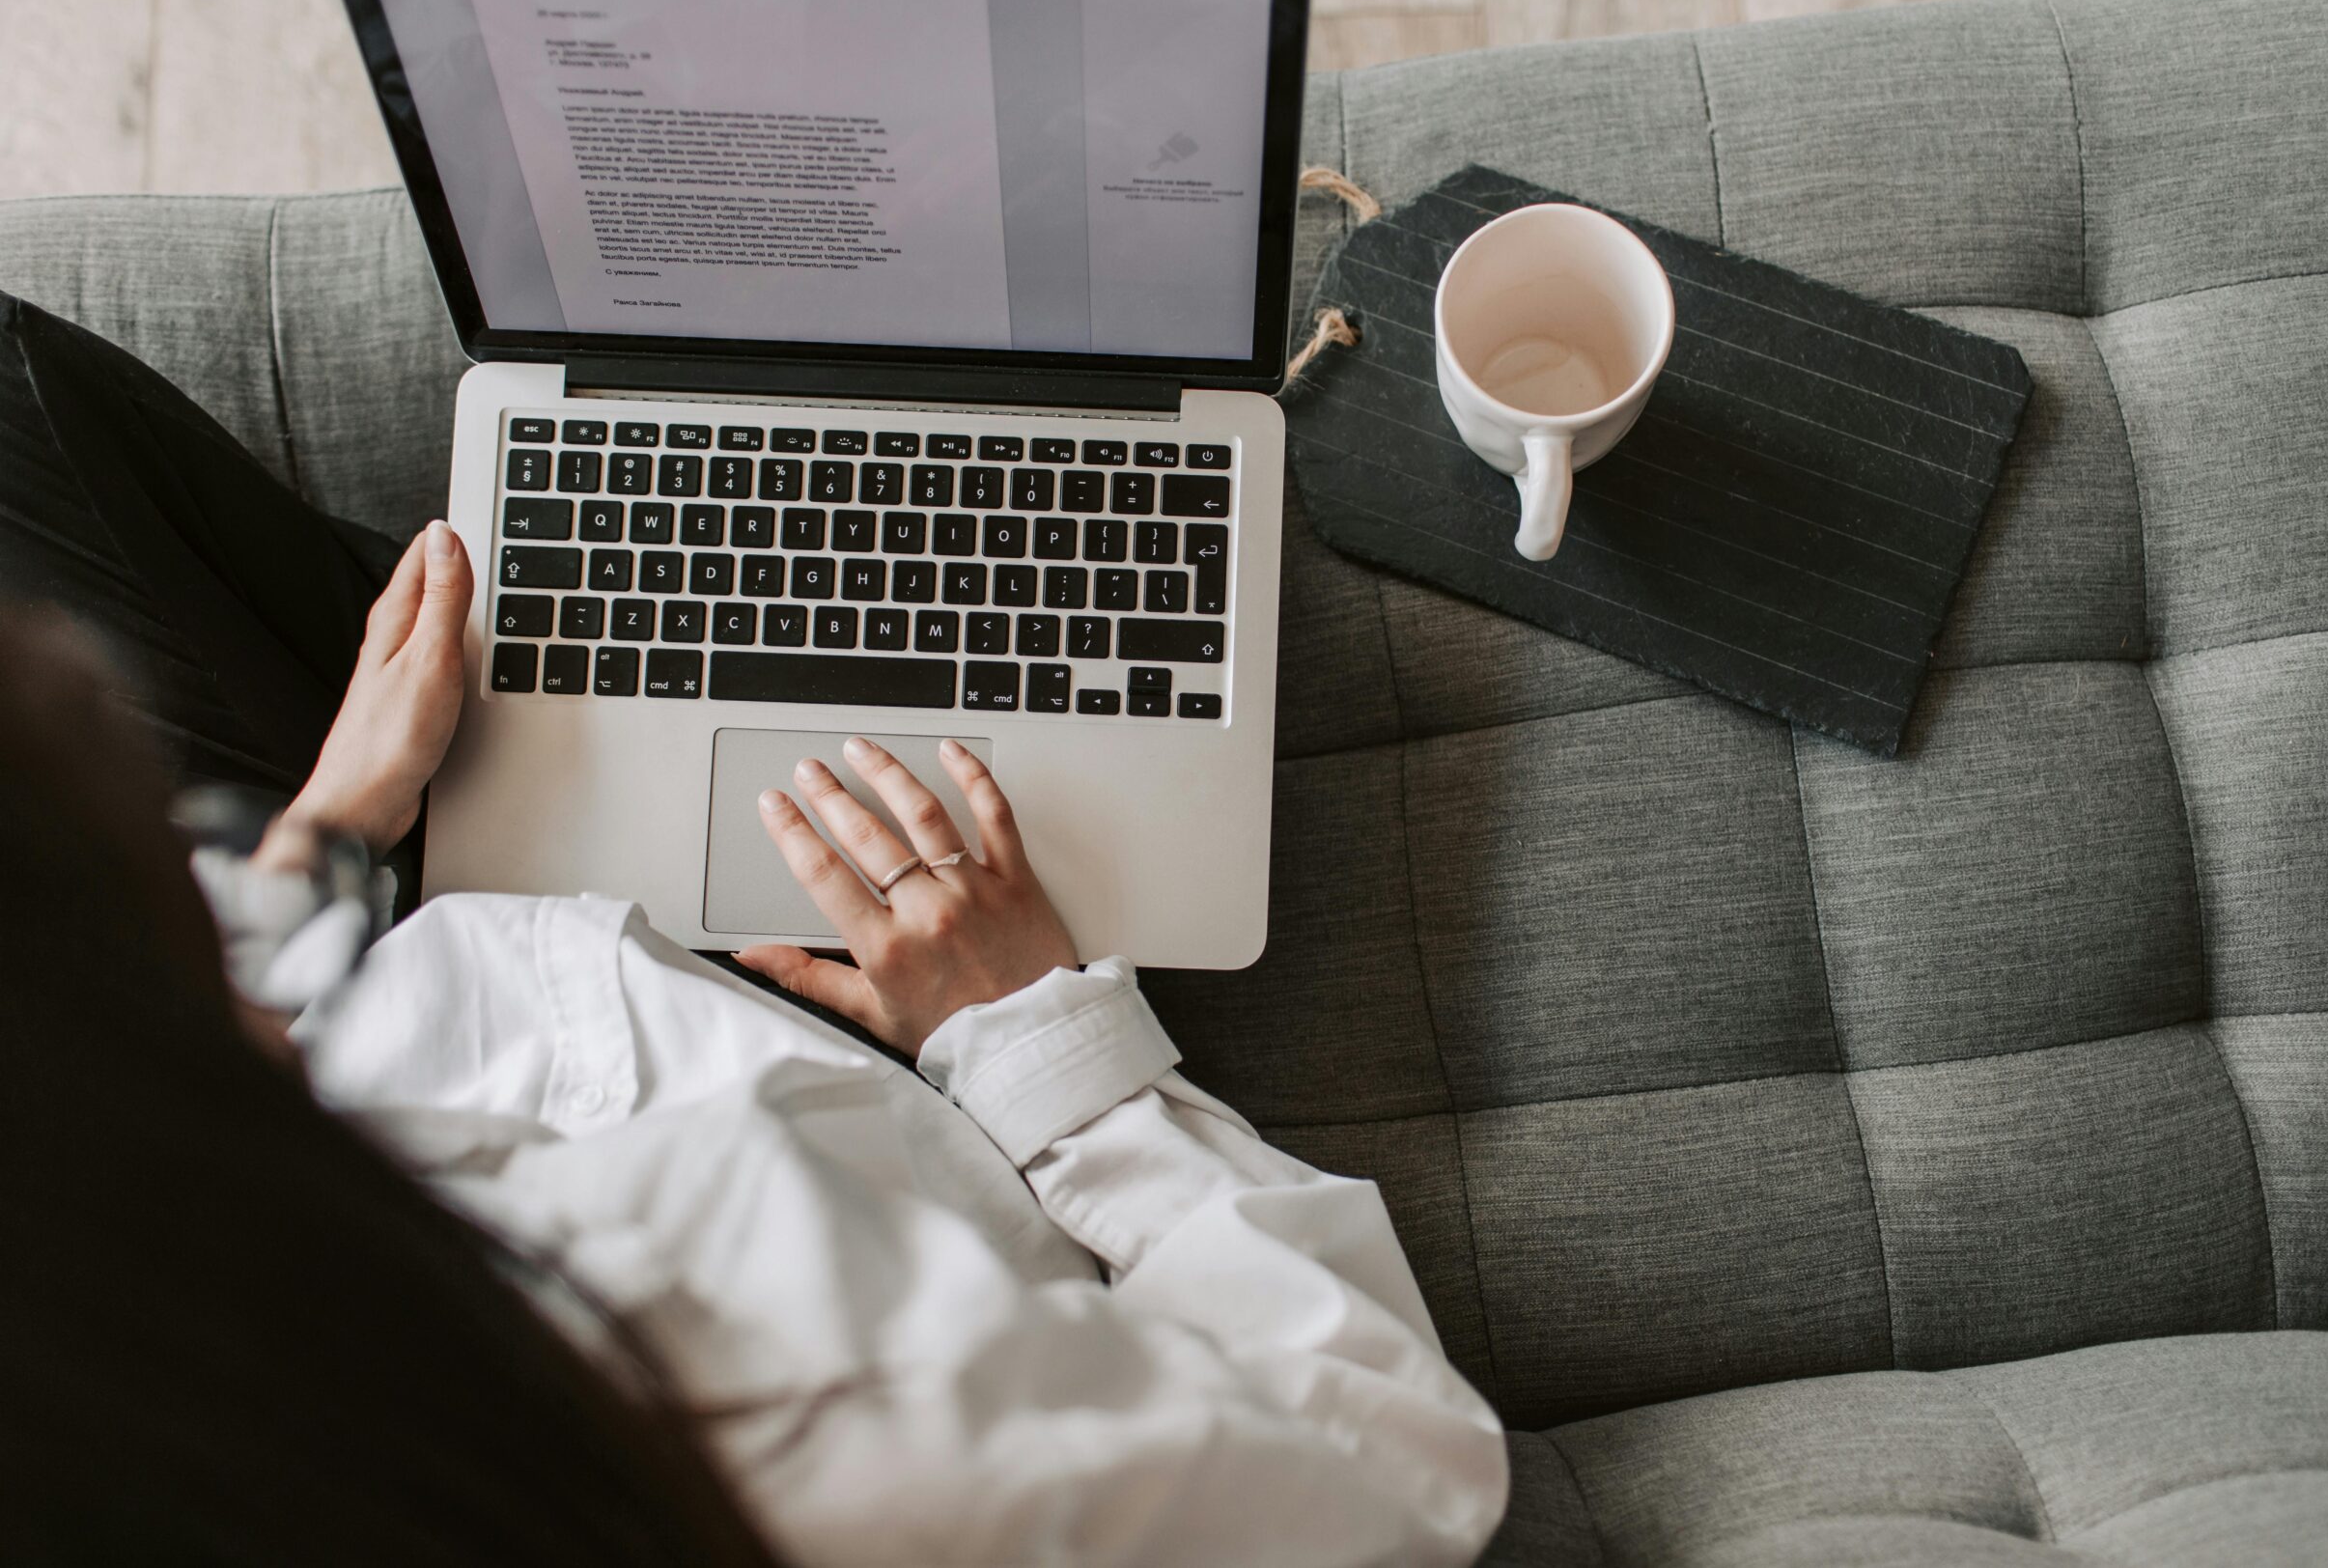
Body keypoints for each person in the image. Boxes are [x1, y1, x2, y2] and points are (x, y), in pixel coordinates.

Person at [0, 290, 1509, 1565]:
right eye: (177, 863)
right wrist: (1040, 1036)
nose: (215, 871)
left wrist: (324, 837)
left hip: (399, 940)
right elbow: (1409, 1475)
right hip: (835, 1025)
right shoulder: (843, 1412)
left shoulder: (114, 1299)